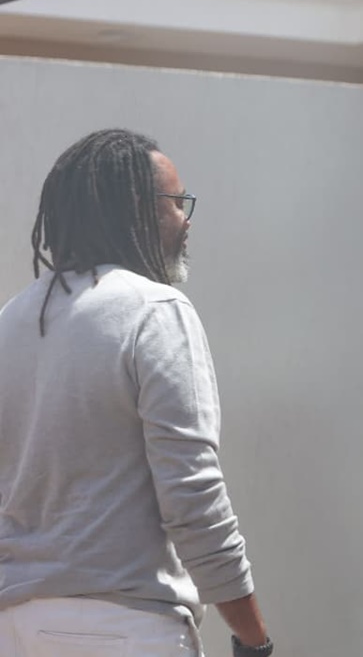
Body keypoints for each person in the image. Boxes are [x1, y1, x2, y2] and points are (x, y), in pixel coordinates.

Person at [0, 129, 273, 657]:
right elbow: (192, 497)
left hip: (14, 626)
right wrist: (253, 638)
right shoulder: (155, 311)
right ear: (136, 209)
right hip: (123, 628)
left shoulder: (12, 319)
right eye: (176, 202)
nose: (187, 220)